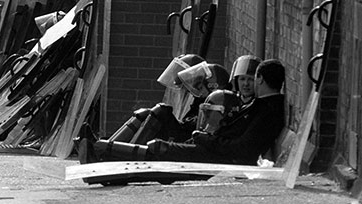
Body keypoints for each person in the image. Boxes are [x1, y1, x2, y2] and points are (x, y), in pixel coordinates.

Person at [79, 59, 286, 166]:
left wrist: (205, 139)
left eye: (252, 79)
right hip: (214, 149)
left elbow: (243, 149)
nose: (248, 84)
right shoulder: (262, 106)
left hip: (221, 157)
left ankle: (99, 149)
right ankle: (101, 148)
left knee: (160, 148)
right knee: (160, 141)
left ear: (259, 79)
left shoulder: (268, 111)